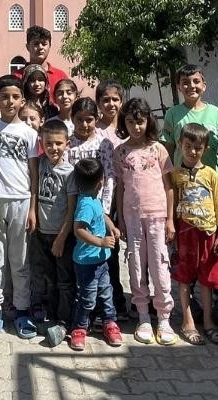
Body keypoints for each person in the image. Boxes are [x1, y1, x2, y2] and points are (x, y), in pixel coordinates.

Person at [161, 64, 218, 324]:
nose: (191, 86)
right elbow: (166, 150)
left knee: (214, 249)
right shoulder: (173, 114)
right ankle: (192, 305)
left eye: (196, 81)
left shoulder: (215, 114)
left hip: (212, 187)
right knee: (186, 251)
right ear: (179, 87)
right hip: (183, 188)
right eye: (186, 82)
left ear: (204, 84)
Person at [113, 97, 177, 346]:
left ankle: (164, 317)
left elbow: (169, 187)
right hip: (132, 217)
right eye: (130, 122)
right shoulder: (121, 152)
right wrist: (120, 219)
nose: (136, 127)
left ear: (147, 121)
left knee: (160, 265)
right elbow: (120, 188)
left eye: (140, 122)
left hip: (157, 217)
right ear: (124, 123)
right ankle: (143, 316)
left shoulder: (158, 149)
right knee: (136, 265)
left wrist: (170, 219)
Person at [0, 75, 40, 339]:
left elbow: (34, 173)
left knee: (19, 260)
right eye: (5, 96)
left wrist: (32, 208)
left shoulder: (29, 134)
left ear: (22, 100)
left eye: (15, 97)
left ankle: (21, 310)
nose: (10, 101)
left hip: (20, 200)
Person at [171, 123, 218, 345]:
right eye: (188, 146)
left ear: (205, 148)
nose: (193, 151)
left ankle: (208, 322)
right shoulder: (175, 175)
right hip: (185, 233)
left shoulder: (211, 174)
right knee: (184, 278)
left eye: (198, 147)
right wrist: (172, 230)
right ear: (180, 145)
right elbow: (172, 203)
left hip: (208, 233)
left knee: (206, 280)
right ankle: (188, 322)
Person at [26, 119, 77, 344]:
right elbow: (35, 189)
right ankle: (52, 315)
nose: (53, 148)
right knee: (48, 278)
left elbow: (72, 209)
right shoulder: (40, 163)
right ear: (42, 143)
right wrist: (33, 213)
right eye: (48, 143)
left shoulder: (70, 172)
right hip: (42, 232)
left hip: (61, 235)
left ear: (67, 143)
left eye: (58, 143)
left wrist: (62, 237)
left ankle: (64, 321)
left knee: (65, 280)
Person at [69, 157, 123, 351]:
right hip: (86, 263)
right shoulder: (85, 204)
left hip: (101, 261)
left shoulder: (94, 199)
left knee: (106, 293)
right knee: (87, 297)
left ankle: (110, 322)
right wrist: (100, 241)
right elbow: (79, 230)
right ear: (101, 181)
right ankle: (79, 328)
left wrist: (112, 227)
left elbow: (103, 215)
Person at [94, 81, 129, 314]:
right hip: (103, 198)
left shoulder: (128, 130)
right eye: (105, 100)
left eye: (115, 99)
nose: (111, 104)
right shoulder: (95, 130)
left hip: (128, 195)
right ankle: (112, 299)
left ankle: (137, 299)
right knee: (108, 249)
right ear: (98, 103)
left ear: (122, 101)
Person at [12, 25, 69, 102]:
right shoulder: (17, 76)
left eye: (44, 44)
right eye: (36, 44)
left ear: (50, 46)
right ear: (27, 47)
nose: (40, 47)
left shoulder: (61, 76)